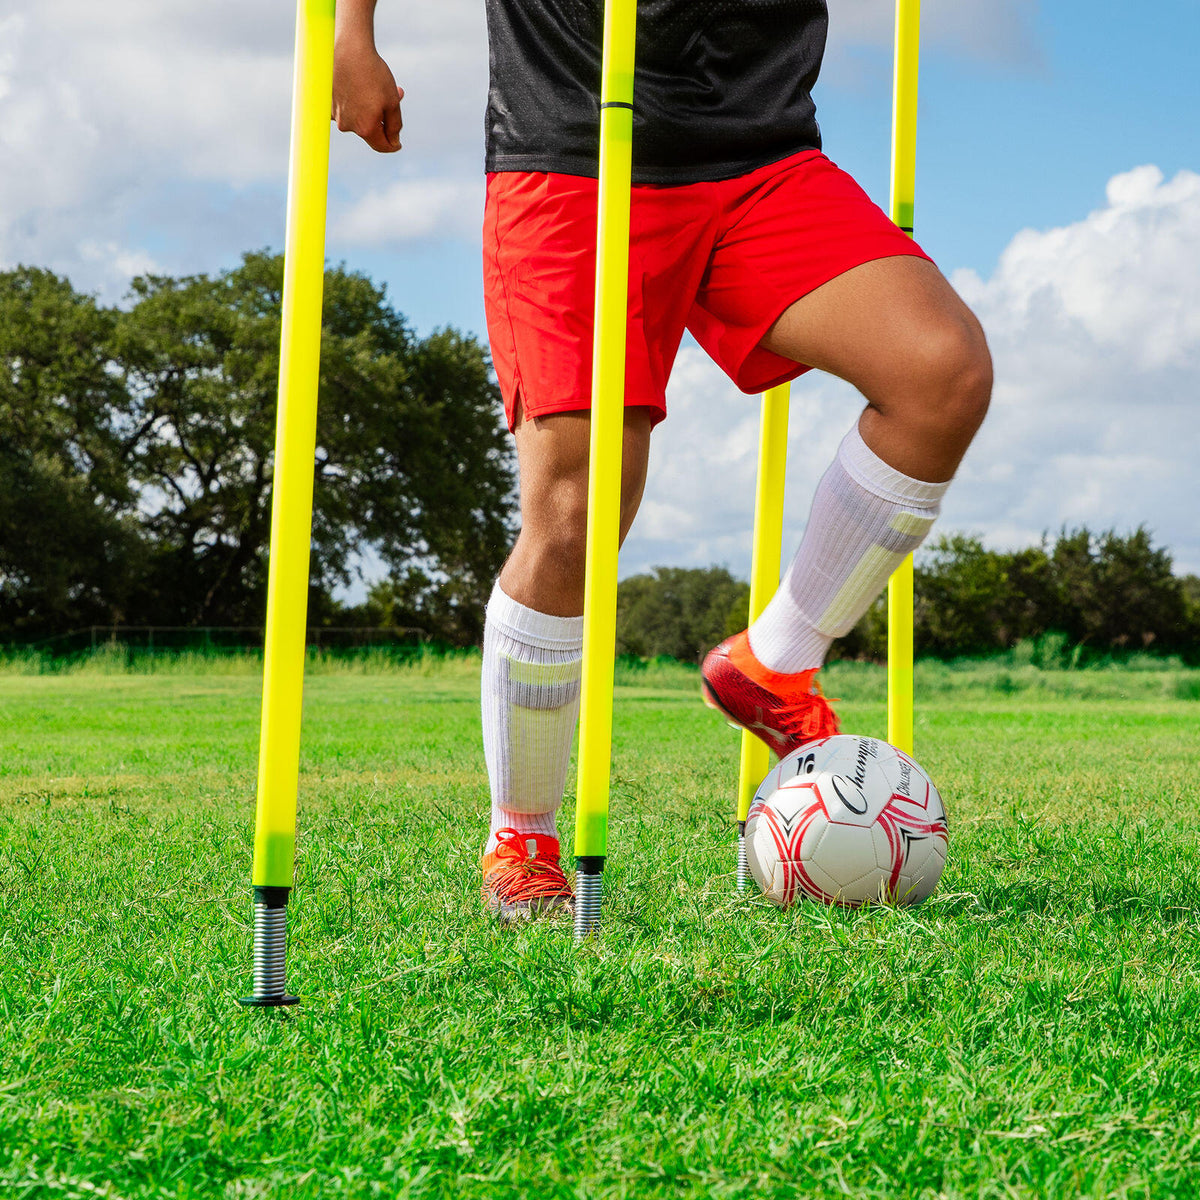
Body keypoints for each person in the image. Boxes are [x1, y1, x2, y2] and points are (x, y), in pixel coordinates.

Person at [332, 0, 992, 920]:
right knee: (579, 508)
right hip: (572, 148)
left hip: (763, 155)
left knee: (941, 373)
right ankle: (521, 835)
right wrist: (351, 33)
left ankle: (774, 663)